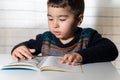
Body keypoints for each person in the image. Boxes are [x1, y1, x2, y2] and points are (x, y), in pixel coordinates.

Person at [11, 0, 118, 65]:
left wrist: (81, 56)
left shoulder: (88, 36)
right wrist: (18, 49)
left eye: (62, 19)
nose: (54, 25)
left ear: (79, 20)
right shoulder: (46, 38)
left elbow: (111, 50)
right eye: (50, 19)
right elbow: (27, 46)